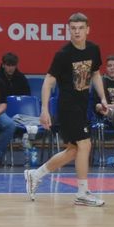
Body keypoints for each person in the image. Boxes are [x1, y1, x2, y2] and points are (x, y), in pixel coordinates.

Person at [24, 12, 109, 207]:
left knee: (73, 150)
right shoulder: (63, 55)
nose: (77, 32)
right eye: (73, 28)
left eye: (81, 28)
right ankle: (82, 193)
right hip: (68, 106)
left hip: (83, 105)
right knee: (85, 144)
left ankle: (35, 174)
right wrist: (44, 109)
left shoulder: (94, 49)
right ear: (69, 30)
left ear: (88, 30)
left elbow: (96, 74)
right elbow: (48, 82)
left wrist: (103, 97)